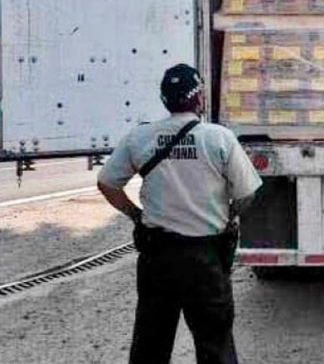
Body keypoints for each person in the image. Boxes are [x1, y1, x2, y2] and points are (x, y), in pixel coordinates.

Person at [97, 63, 263, 364]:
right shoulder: (219, 138)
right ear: (199, 98)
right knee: (215, 344)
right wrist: (227, 216)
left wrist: (135, 214)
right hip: (206, 258)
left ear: (164, 100)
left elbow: (107, 183)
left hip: (157, 257)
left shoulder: (140, 137)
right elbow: (247, 193)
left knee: (151, 344)